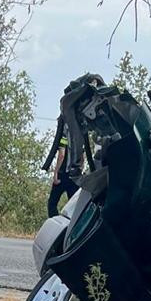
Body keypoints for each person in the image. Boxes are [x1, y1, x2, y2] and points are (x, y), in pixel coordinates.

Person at [43, 72, 105, 217]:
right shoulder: (77, 130)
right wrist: (80, 168)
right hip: (74, 173)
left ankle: (58, 223)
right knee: (75, 205)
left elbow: (62, 152)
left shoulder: (67, 130)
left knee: (52, 203)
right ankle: (73, 221)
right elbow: (82, 152)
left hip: (64, 173)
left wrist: (56, 173)